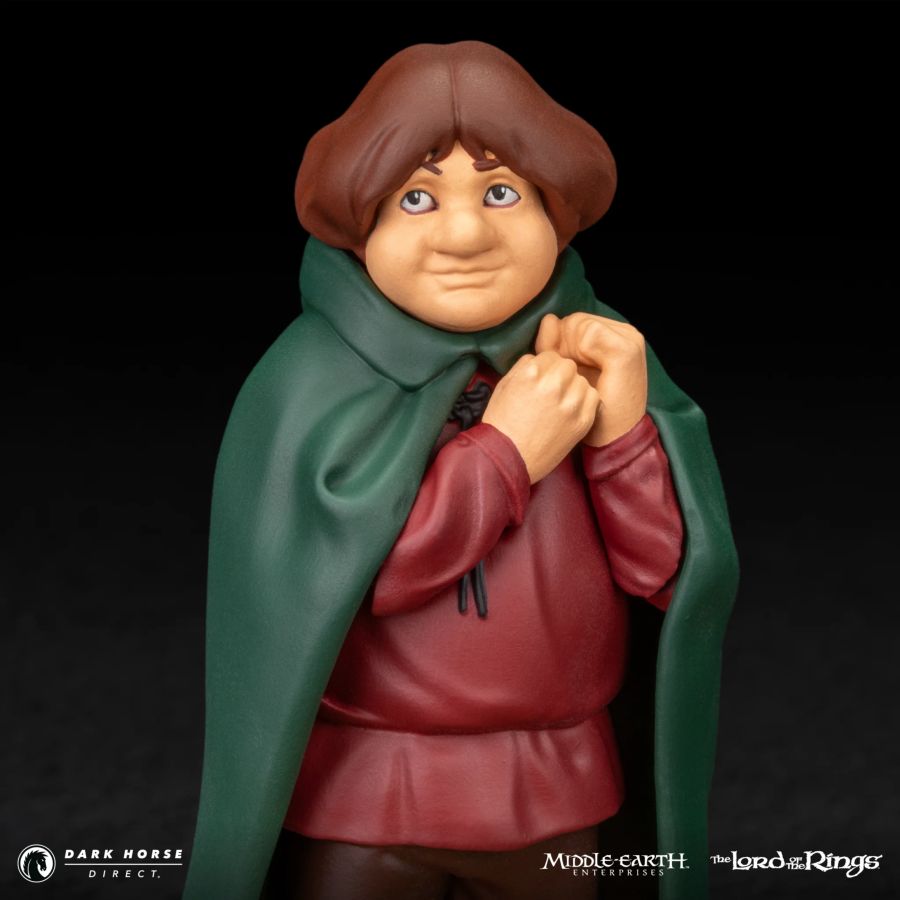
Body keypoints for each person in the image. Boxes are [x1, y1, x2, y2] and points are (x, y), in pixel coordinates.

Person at [183, 42, 738, 900]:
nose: (466, 234)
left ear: (556, 210)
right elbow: (349, 577)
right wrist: (507, 451)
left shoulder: (595, 353)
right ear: (361, 223)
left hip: (554, 782)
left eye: (502, 192)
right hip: (367, 788)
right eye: (417, 198)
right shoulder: (307, 383)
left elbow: (664, 578)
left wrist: (622, 437)